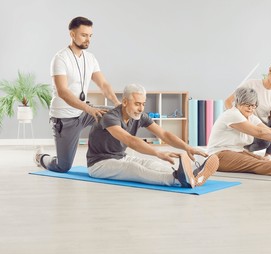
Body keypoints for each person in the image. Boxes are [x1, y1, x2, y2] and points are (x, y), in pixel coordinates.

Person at [86, 84, 219, 188]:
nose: (141, 108)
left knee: (150, 163)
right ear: (125, 102)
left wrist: (187, 147)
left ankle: (189, 174)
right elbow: (130, 140)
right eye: (137, 104)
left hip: (121, 158)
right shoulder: (110, 117)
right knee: (134, 169)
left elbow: (164, 134)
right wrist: (158, 152)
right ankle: (177, 180)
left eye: (143, 104)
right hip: (98, 165)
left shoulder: (139, 116)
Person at [34, 16, 121, 172]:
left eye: (90, 35)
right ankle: (41, 158)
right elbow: (63, 92)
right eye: (83, 35)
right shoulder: (60, 58)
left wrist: (117, 103)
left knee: (115, 114)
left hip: (83, 112)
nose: (88, 39)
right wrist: (89, 109)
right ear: (72, 34)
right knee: (63, 166)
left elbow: (103, 84)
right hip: (64, 118)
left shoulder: (90, 58)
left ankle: (107, 156)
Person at [225, 59, 271, 160]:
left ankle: (268, 155)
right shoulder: (251, 84)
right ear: (270, 70)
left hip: (263, 126)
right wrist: (238, 118)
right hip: (249, 125)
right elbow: (228, 101)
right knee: (265, 141)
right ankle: (244, 149)